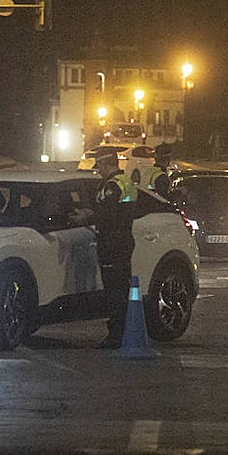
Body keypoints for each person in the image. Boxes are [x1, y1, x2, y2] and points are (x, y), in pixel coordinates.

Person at [72, 146, 137, 348]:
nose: (98, 169)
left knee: (115, 290)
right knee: (118, 287)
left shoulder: (114, 185)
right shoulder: (122, 182)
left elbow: (109, 214)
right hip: (119, 240)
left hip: (114, 242)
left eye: (99, 165)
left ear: (107, 163)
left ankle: (116, 335)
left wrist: (87, 216)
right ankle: (120, 331)